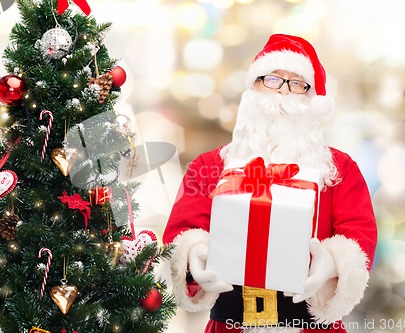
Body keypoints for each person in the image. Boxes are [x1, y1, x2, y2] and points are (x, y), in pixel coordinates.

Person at [162, 34, 378, 333]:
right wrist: (193, 254)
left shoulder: (339, 170)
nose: (284, 92)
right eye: (273, 79)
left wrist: (332, 262)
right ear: (253, 87)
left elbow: (359, 235)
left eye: (297, 83)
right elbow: (181, 232)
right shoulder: (209, 167)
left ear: (311, 98)